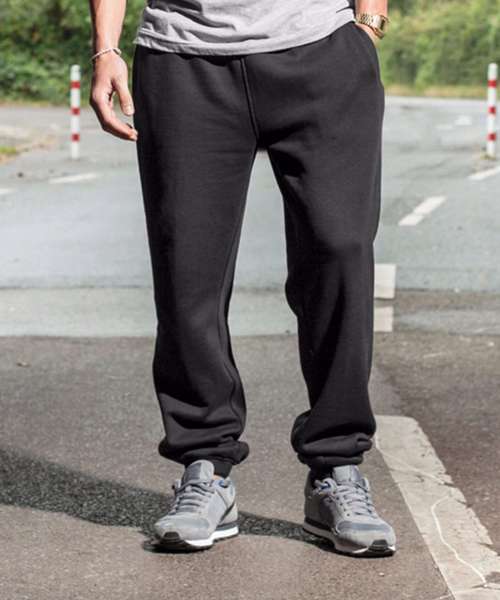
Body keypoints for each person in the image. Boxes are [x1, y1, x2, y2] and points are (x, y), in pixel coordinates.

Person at [89, 0, 396, 557]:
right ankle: (204, 467)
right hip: (183, 60)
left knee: (340, 252)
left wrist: (369, 25)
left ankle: (337, 467)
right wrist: (105, 49)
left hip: (321, 51)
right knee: (187, 269)